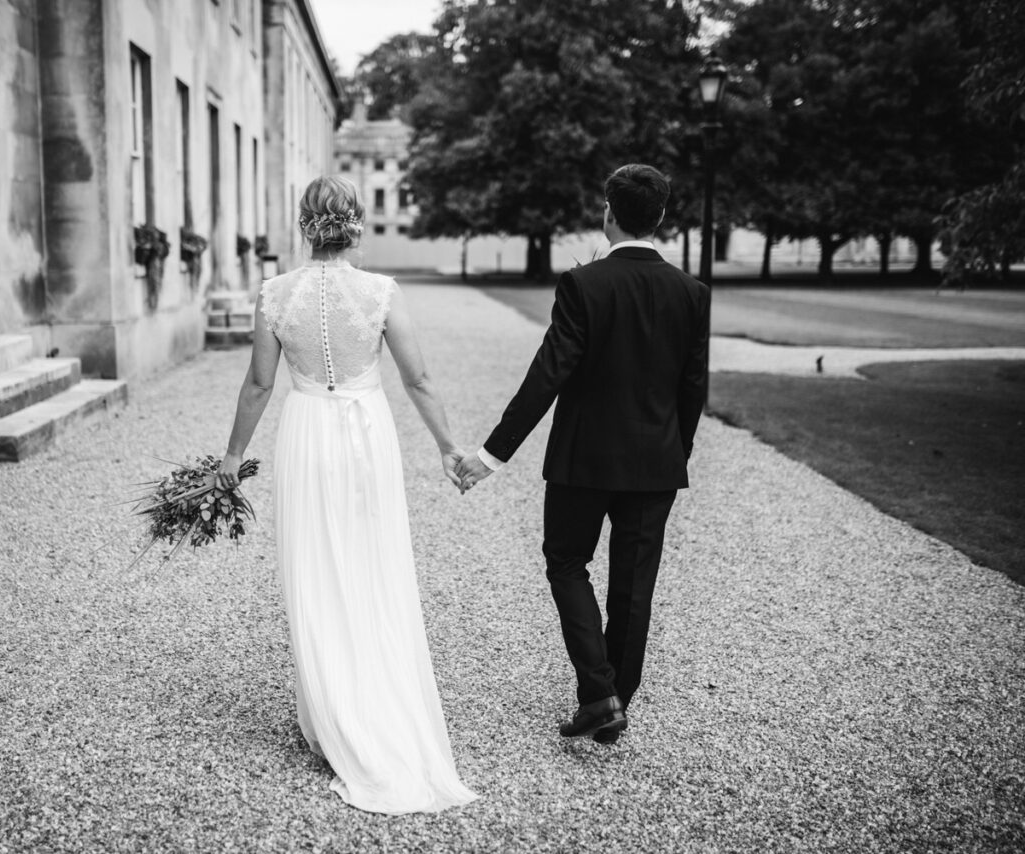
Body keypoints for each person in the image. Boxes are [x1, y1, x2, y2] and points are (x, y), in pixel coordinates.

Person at [216, 176, 478, 814]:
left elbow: (258, 383)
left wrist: (231, 457)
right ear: (354, 223)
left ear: (304, 224)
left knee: (315, 570)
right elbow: (416, 377)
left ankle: (332, 717)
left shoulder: (277, 294)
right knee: (372, 564)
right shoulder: (381, 292)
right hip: (367, 435)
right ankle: (374, 703)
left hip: (307, 434)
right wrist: (448, 447)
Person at [456, 164, 709, 744]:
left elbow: (548, 374)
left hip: (583, 461)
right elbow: (693, 389)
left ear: (608, 213)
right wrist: (677, 452)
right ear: (662, 217)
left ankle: (600, 694)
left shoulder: (583, 284)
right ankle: (612, 697)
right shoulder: (692, 293)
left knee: (567, 562)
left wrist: (492, 455)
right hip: (656, 466)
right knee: (634, 586)